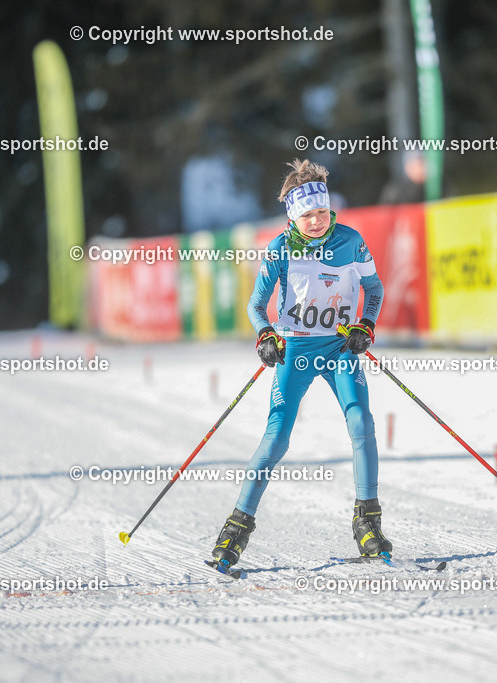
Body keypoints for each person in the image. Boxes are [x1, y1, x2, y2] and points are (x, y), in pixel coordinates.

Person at [211, 159, 390, 568]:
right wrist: (265, 334)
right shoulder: (279, 249)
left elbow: (373, 288)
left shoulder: (351, 241)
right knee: (276, 438)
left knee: (361, 421)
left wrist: (366, 323)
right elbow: (257, 304)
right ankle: (236, 528)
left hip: (340, 348)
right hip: (295, 350)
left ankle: (368, 522)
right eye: (307, 215)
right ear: (293, 217)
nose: (316, 221)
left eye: (323, 213)